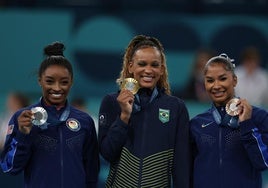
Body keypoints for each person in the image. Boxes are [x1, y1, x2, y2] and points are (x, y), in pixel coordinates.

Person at [0, 41, 99, 188]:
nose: (57, 88)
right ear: (40, 81)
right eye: (50, 81)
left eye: (64, 82)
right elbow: (9, 167)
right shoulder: (23, 117)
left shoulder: (84, 120)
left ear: (71, 82)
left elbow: (91, 172)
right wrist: (23, 135)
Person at [98, 35, 191, 188]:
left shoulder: (176, 107)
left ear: (161, 69)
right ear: (130, 66)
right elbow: (107, 153)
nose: (148, 70)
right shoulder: (112, 102)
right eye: (142, 64)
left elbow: (181, 164)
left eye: (154, 65)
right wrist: (124, 117)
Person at [190, 53, 268, 188]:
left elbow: (263, 163)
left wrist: (246, 124)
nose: (216, 86)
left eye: (222, 78)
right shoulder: (197, 123)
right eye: (210, 80)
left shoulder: (259, 117)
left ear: (235, 80)